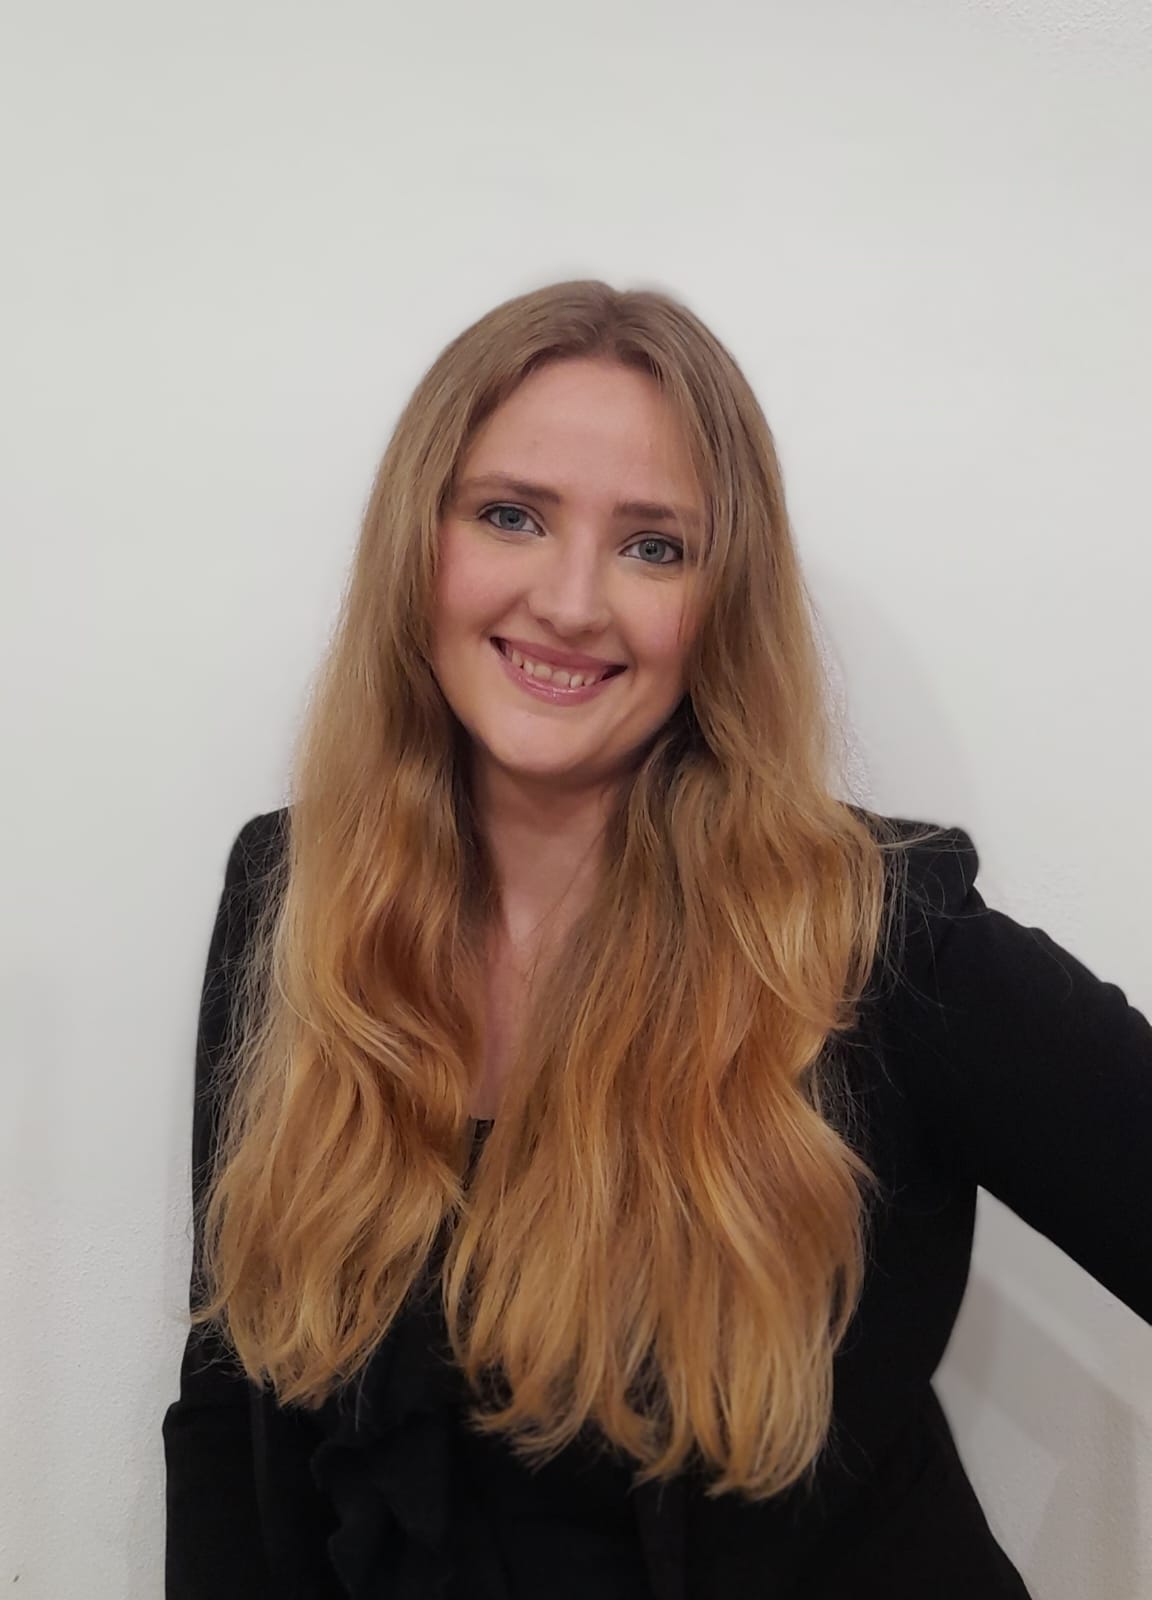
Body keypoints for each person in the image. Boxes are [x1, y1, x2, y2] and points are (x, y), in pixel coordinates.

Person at [162, 279, 1151, 1599]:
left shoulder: (879, 942)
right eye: (511, 515)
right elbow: (232, 1413)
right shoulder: (291, 893)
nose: (573, 601)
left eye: (653, 546)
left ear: (722, 599)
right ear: (419, 539)